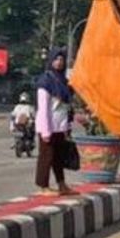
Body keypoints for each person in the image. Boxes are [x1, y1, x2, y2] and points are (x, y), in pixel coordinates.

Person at [35, 48, 76, 196]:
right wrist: (46, 131)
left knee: (59, 157)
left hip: (60, 126)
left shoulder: (63, 82)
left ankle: (62, 184)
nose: (59, 62)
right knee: (46, 157)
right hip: (48, 126)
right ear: (50, 61)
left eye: (61, 60)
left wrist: (67, 126)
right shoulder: (45, 82)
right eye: (56, 59)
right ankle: (43, 186)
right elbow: (44, 109)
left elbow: (66, 107)